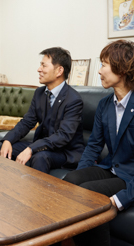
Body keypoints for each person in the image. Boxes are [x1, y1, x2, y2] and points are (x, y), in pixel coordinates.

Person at [63, 40, 134, 246]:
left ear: (122, 69)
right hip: (111, 167)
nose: (100, 71)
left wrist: (122, 199)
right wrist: (80, 174)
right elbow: (94, 144)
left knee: (89, 195)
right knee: (69, 182)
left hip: (130, 176)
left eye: (104, 65)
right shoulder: (104, 104)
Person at [0, 47, 85, 173]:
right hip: (43, 147)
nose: (39, 69)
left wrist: (31, 149)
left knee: (40, 157)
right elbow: (27, 122)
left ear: (59, 70)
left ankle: (37, 193)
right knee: (4, 148)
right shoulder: (39, 93)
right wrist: (8, 140)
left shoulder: (73, 100)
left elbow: (63, 136)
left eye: (44, 66)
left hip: (65, 151)